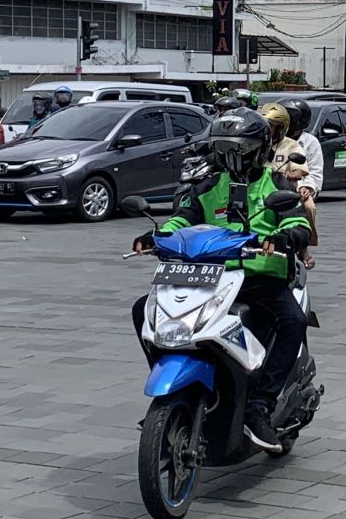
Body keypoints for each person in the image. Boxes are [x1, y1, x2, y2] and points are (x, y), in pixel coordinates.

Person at [131, 109, 312, 453]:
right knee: (144, 310)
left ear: (258, 149)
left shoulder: (276, 185)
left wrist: (285, 239)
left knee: (293, 320)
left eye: (239, 149)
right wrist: (155, 237)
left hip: (260, 276)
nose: (233, 157)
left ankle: (261, 405)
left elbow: (296, 223)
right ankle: (177, 394)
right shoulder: (210, 185)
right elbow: (183, 218)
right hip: (210, 275)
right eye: (225, 149)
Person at [260, 102, 313, 268]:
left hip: (284, 189)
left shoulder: (291, 145)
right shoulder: (258, 142)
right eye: (265, 125)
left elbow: (300, 171)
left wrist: (290, 175)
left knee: (309, 207)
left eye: (272, 126)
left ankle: (303, 247)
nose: (268, 130)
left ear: (281, 128)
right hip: (259, 188)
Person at [280, 98, 323, 256]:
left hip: (299, 187)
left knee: (309, 207)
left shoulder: (311, 143)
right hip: (273, 185)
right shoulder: (273, 141)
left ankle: (304, 245)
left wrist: (307, 187)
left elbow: (315, 172)